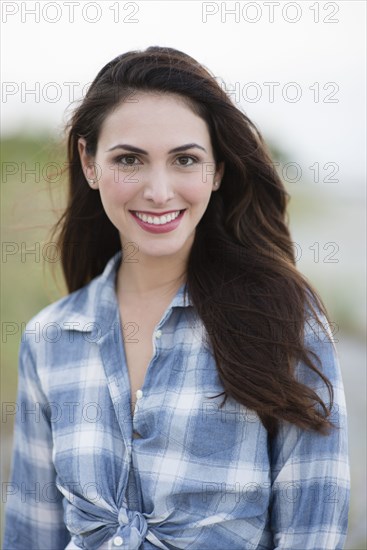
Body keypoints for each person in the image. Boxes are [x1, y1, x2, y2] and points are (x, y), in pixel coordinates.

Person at [3, 46, 350, 550]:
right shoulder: (49, 337)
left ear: (218, 170)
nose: (159, 191)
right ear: (89, 161)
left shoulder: (286, 321)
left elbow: (313, 534)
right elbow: (29, 535)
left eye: (185, 159)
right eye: (129, 160)